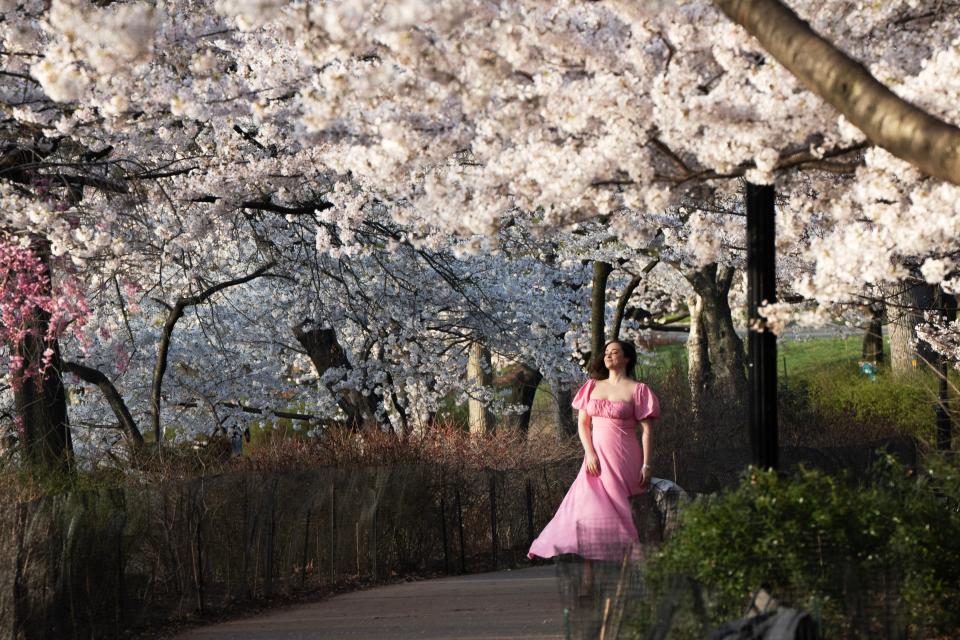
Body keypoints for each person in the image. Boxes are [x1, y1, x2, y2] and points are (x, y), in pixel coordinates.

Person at [528, 339, 660, 561]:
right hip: (595, 456)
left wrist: (647, 464)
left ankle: (632, 559)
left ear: (626, 358)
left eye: (615, 352)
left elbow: (647, 431)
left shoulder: (639, 390)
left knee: (622, 505)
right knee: (586, 507)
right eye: (606, 352)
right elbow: (582, 424)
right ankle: (590, 570)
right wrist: (589, 452)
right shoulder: (592, 386)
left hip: (624, 455)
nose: (608, 356)